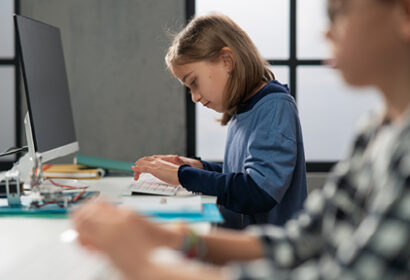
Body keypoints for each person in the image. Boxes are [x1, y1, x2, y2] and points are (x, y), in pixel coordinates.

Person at [72, 0, 410, 279]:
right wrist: (166, 235)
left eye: (340, 12)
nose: (325, 31)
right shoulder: (374, 131)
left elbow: (259, 194)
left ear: (404, 13)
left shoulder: (275, 105)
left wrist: (145, 267)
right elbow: (301, 240)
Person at [131, 14, 308, 229]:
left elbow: (256, 192)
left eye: (194, 82)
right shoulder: (244, 109)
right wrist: (196, 167)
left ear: (227, 61)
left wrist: (183, 176)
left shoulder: (274, 107)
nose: (194, 97)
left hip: (267, 254)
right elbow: (238, 177)